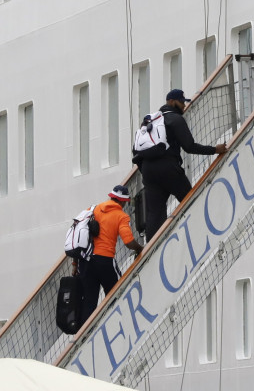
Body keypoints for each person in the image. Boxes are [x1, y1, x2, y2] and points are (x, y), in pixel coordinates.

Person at [132, 89, 228, 241]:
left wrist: (146, 170)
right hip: (169, 168)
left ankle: (152, 249)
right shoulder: (175, 119)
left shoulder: (150, 122)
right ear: (171, 102)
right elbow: (189, 146)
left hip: (149, 171)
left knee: (154, 214)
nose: (184, 106)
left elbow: (136, 151)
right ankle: (201, 235)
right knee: (190, 200)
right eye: (181, 102)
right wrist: (215, 150)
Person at [77, 185, 144, 320]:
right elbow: (128, 241)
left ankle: (85, 336)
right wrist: (140, 248)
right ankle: (117, 323)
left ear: (111, 197)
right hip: (105, 261)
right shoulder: (121, 216)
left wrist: (74, 264)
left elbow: (78, 235)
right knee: (116, 294)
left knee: (89, 301)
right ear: (123, 201)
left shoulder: (93, 209)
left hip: (85, 261)